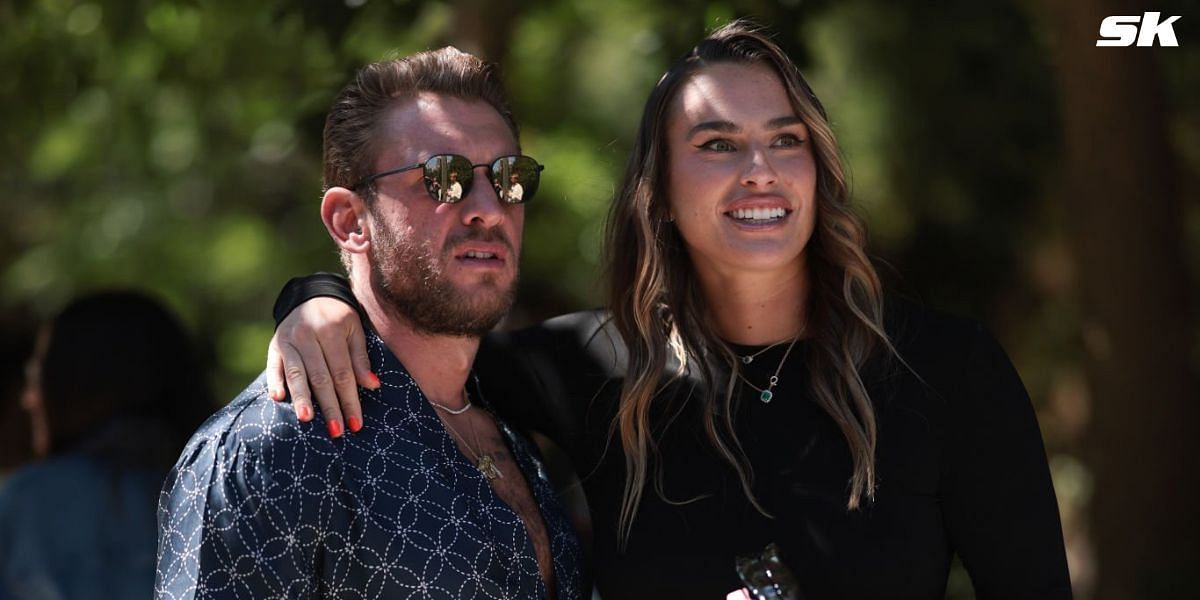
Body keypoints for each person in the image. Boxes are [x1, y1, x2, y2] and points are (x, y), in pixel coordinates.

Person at [267, 22, 1072, 598]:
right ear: (660, 192)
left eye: (786, 140)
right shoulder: (587, 368)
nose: (759, 169)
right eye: (717, 144)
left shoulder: (945, 367)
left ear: (818, 170)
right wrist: (317, 299)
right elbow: (422, 333)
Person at [155, 48, 582, 599]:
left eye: (508, 177)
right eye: (443, 177)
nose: (490, 208)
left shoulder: (515, 419)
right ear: (350, 220)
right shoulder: (270, 447)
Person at [0, 291, 211, 600]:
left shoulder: (33, 499)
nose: (29, 399)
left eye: (39, 376)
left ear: (75, 385)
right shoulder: (219, 482)